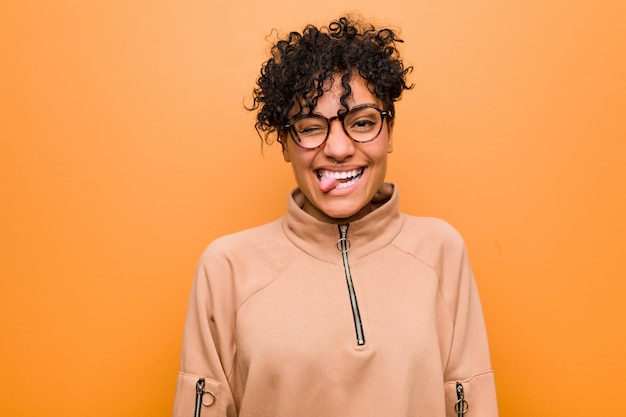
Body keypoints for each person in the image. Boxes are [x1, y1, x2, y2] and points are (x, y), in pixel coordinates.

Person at [172, 15, 498, 417]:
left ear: (390, 132)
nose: (339, 148)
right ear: (285, 144)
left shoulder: (441, 252)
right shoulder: (226, 267)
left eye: (362, 122)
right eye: (311, 128)